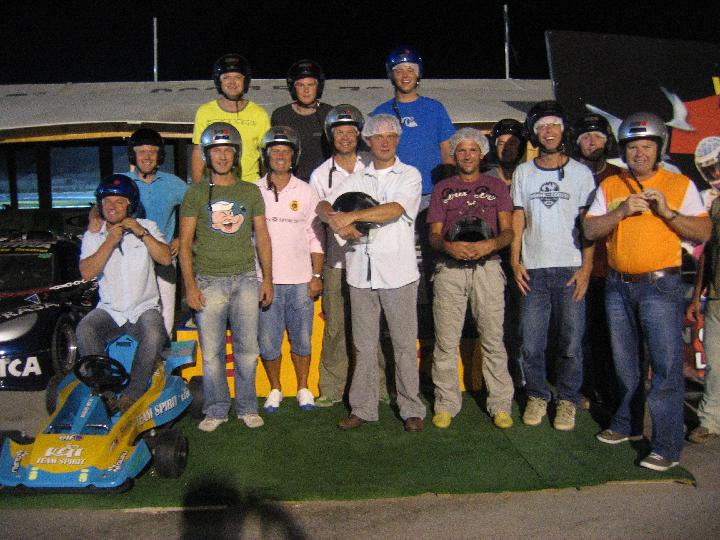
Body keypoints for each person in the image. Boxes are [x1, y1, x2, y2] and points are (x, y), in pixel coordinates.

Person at [585, 112, 711, 471]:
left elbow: (703, 233)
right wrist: (622, 211)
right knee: (625, 364)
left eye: (646, 147)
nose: (639, 154)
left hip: (660, 287)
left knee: (665, 367)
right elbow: (590, 230)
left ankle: (667, 446)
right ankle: (627, 424)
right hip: (617, 286)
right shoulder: (612, 185)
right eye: (633, 148)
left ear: (659, 149)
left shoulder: (678, 184)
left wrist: (668, 213)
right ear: (623, 150)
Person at [316, 114, 426, 432]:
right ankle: (363, 408)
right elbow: (323, 205)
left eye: (391, 136)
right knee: (363, 345)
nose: (385, 142)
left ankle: (411, 408)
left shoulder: (409, 175)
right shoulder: (358, 177)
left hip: (398, 273)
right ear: (368, 141)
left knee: (403, 345)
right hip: (360, 275)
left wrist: (349, 217)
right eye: (379, 137)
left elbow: (394, 209)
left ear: (398, 140)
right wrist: (333, 219)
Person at [179, 122, 273, 432]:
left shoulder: (250, 191)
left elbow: (262, 236)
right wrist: (190, 286)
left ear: (236, 154)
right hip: (208, 281)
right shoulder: (195, 193)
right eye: (216, 150)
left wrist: (267, 279)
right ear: (207, 155)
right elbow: (185, 244)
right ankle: (216, 409)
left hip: (246, 279)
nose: (222, 156)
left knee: (247, 350)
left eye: (228, 150)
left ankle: (247, 407)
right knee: (212, 355)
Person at [510, 100, 595, 432]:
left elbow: (589, 227)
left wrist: (586, 269)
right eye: (542, 126)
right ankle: (537, 395)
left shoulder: (581, 173)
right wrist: (515, 261)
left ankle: (567, 400)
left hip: (570, 269)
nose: (548, 131)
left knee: (571, 344)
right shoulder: (523, 172)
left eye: (554, 125)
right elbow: (518, 219)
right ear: (534, 133)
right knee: (531, 343)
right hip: (534, 269)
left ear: (563, 130)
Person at [427, 128, 515, 429]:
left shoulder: (496, 187)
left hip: (487, 268)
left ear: (482, 153)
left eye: (473, 150)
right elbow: (434, 235)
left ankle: (500, 404)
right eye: (461, 150)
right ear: (454, 154)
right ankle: (445, 403)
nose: (467, 155)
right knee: (446, 341)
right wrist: (449, 246)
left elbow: (508, 231)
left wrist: (491, 244)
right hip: (450, 269)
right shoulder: (442, 189)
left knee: (492, 339)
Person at [77, 174, 171, 413]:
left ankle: (132, 393)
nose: (112, 206)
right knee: (85, 328)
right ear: (100, 205)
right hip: (111, 310)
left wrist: (141, 232)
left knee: (153, 332)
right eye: (107, 201)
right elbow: (87, 272)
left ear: (130, 205)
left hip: (144, 308)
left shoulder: (147, 226)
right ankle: (105, 393)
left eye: (119, 202)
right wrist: (109, 241)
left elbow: (165, 258)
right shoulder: (93, 234)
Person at [309, 104, 375, 407]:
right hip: (337, 261)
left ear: (359, 135)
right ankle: (333, 387)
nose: (345, 137)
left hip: (372, 257)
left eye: (351, 132)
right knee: (335, 326)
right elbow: (318, 217)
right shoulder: (321, 174)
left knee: (372, 326)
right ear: (330, 136)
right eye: (339, 132)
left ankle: (378, 385)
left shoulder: (372, 164)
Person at [256, 126, 324, 413]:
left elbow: (315, 236)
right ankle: (275, 389)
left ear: (294, 156)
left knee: (302, 340)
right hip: (265, 281)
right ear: (267, 155)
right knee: (269, 342)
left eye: (286, 151)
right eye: (275, 151)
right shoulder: (254, 190)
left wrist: (316, 275)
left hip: (300, 280)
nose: (280, 156)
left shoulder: (306, 191)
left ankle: (303, 388)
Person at [572, 114, 623, 410]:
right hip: (575, 267)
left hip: (612, 268)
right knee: (579, 335)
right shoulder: (569, 174)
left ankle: (611, 391)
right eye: (586, 138)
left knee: (610, 336)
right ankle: (583, 388)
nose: (592, 143)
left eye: (598, 137)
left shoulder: (620, 177)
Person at [126, 128, 188, 337]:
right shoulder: (122, 181)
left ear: (159, 155)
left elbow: (196, 210)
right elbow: (100, 206)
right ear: (133, 154)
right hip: (132, 258)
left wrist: (181, 239)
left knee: (166, 311)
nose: (147, 157)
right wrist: (94, 218)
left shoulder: (174, 183)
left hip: (165, 256)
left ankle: (163, 351)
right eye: (142, 152)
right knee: (133, 310)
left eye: (152, 152)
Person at [684, 136, 720, 444]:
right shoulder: (714, 204)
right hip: (717, 297)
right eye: (709, 171)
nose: (716, 174)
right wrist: (697, 295)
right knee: (715, 366)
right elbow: (707, 252)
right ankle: (709, 421)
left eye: (718, 166)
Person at [190, 53, 270, 184]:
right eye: (226, 77)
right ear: (219, 81)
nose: (232, 82)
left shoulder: (259, 114)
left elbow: (267, 156)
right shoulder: (205, 112)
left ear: (245, 81)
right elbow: (198, 153)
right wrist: (199, 189)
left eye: (238, 77)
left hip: (250, 186)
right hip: (216, 187)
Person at [271, 60, 333, 182]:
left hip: (324, 181)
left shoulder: (329, 114)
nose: (306, 90)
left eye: (310, 85)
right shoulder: (281, 115)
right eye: (300, 85)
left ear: (318, 87)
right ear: (293, 88)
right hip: (292, 181)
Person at [486, 118, 528, 187]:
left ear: (520, 147)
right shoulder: (485, 181)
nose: (506, 148)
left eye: (512, 144)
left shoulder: (529, 178)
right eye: (501, 144)